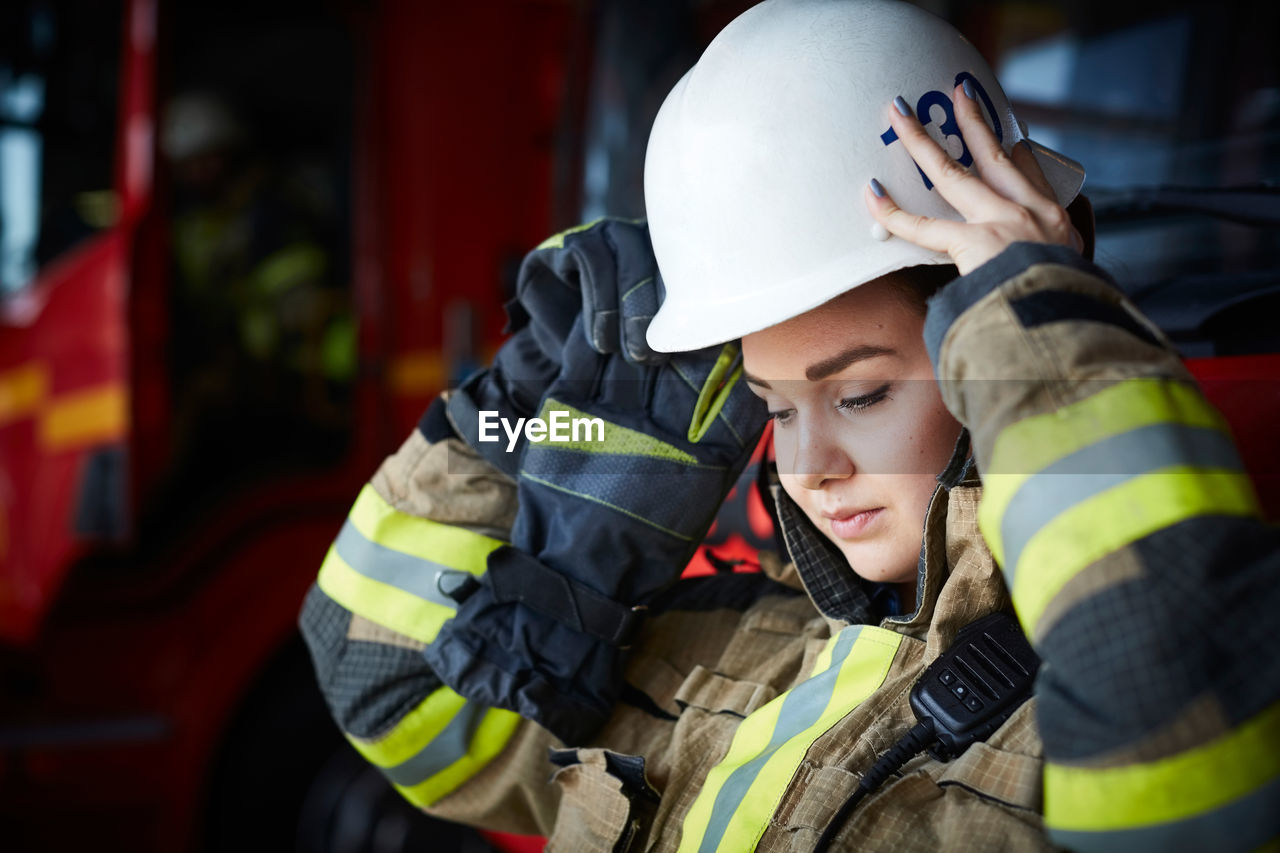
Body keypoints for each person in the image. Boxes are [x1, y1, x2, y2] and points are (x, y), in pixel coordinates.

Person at [299, 1, 1280, 850]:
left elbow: (1181, 758)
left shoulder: (1087, 703)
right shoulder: (742, 649)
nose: (805, 467)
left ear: (995, 353)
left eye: (858, 395)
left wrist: (1042, 324)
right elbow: (388, 686)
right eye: (771, 406)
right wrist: (513, 404)